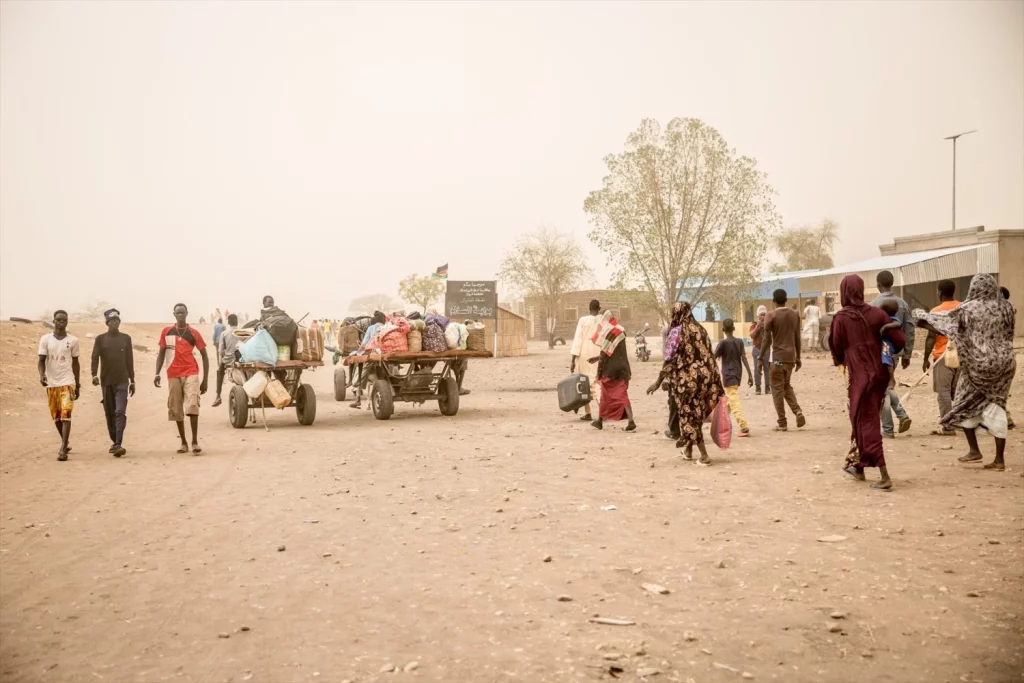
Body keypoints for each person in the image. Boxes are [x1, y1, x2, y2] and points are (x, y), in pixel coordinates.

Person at [914, 274, 1016, 471]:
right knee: (998, 405)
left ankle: (974, 450)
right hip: (1005, 363)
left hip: (978, 364)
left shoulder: (968, 309)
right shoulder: (1006, 307)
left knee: (962, 400)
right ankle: (999, 459)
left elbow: (949, 325)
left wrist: (923, 319)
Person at [829, 275, 906, 491]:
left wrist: (846, 359)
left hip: (859, 375)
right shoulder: (877, 313)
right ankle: (859, 465)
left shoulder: (841, 318)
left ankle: (884, 474)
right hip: (879, 372)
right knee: (861, 417)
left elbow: (835, 347)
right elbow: (899, 340)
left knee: (866, 420)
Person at [647, 302, 723, 464]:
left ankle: (704, 455)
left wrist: (658, 381)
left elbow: (669, 360)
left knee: (688, 416)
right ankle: (688, 450)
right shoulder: (701, 330)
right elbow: (709, 356)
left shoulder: (676, 332)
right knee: (696, 413)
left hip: (687, 382)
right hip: (705, 380)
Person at [154, 304, 209, 455]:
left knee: (192, 406)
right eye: (178, 313)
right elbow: (161, 353)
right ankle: (183, 442)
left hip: (191, 371)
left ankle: (195, 441)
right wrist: (156, 373)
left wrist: (205, 380)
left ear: (186, 313)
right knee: (176, 408)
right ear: (174, 314)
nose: (180, 315)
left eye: (182, 313)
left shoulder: (193, 333)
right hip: (173, 373)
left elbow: (204, 354)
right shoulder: (166, 332)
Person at [758, 289, 806, 431]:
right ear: (786, 299)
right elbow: (797, 337)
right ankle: (797, 411)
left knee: (777, 389)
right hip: (790, 358)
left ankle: (782, 422)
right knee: (786, 385)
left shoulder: (770, 316)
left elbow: (767, 340)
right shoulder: (795, 315)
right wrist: (798, 357)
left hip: (777, 359)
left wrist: (760, 358)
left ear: (774, 301)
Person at [90, 308, 135, 457]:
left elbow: (130, 360)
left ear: (119, 322)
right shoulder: (100, 339)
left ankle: (118, 443)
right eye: (111, 321)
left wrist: (132, 380)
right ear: (107, 323)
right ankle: (114, 441)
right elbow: (95, 357)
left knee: (120, 411)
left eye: (117, 320)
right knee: (109, 413)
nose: (114, 323)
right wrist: (93, 374)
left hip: (122, 380)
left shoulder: (126, 338)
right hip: (106, 381)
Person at [38, 310, 80, 461]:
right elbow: (41, 360)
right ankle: (65, 441)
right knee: (56, 417)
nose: (61, 322)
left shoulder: (73, 340)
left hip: (68, 381)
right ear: (54, 321)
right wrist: (42, 375)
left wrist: (78, 383)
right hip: (52, 382)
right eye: (59, 320)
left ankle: (63, 448)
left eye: (64, 320)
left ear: (67, 322)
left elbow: (76, 363)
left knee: (66, 415)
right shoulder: (45, 339)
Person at [587, 311, 636, 432]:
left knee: (605, 395)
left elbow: (605, 355)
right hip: (623, 368)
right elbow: (613, 351)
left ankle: (600, 421)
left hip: (610, 370)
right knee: (622, 394)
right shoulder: (620, 332)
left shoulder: (607, 333)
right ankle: (630, 421)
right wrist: (596, 358)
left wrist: (598, 374)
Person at [922, 280, 960, 436]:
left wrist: (925, 358)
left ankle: (948, 426)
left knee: (943, 391)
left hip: (942, 357)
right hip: (961, 355)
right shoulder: (962, 307)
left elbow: (931, 337)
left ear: (939, 293)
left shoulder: (936, 312)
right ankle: (960, 422)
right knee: (958, 391)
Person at [877, 299, 912, 438]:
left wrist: (892, 377)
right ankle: (902, 415)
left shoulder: (890, 320)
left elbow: (887, 362)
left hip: (885, 357)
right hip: (891, 354)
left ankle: (888, 429)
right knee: (887, 391)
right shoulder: (892, 313)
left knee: (883, 393)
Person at [870, 270, 916, 370]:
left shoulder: (872, 305)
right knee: (888, 377)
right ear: (892, 284)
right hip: (895, 350)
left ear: (878, 285)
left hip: (876, 352)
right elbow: (909, 330)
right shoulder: (902, 304)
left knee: (880, 382)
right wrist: (907, 354)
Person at [715, 318, 752, 436]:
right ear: (734, 329)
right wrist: (750, 375)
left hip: (727, 374)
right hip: (737, 373)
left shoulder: (722, 343)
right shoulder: (740, 342)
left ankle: (744, 426)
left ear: (723, 330)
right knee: (729, 401)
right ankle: (722, 424)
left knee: (733, 399)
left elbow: (713, 358)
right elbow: (744, 358)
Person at [569, 300, 603, 422]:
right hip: (598, 355)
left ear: (589, 308)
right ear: (599, 308)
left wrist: (573, 360)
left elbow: (577, 340)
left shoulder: (583, 320)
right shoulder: (603, 320)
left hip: (583, 354)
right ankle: (602, 413)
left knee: (583, 383)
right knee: (596, 382)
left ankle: (588, 413)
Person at [349, 311, 387, 409]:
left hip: (373, 354)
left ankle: (357, 398)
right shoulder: (387, 327)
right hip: (386, 353)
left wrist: (358, 350)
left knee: (360, 369)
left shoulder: (371, 328)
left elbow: (364, 344)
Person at [212, 313, 239, 407]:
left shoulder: (224, 333)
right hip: (241, 359)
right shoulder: (242, 331)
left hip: (228, 359)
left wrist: (224, 356)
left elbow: (220, 350)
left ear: (228, 322)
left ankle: (218, 396)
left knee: (219, 372)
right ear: (237, 322)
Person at [749, 305, 770, 395]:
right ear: (758, 315)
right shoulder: (753, 325)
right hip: (757, 349)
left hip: (766, 350)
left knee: (767, 369)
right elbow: (752, 335)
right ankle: (758, 388)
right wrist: (758, 326)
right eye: (761, 315)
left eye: (764, 314)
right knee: (757, 370)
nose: (763, 316)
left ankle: (767, 388)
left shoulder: (769, 324)